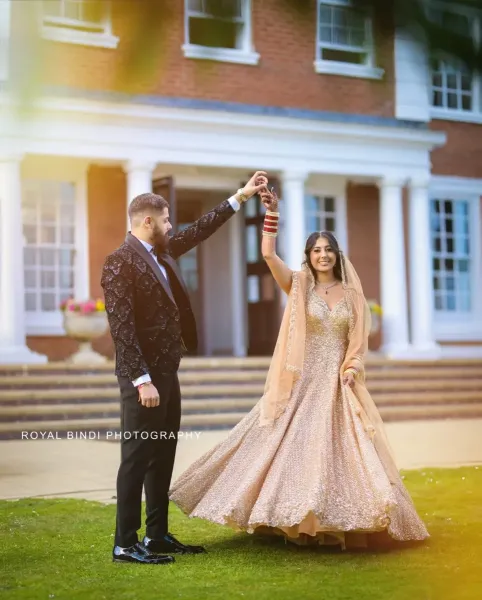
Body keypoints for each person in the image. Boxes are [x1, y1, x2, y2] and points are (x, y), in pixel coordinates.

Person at [169, 186, 429, 549]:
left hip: (337, 382)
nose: (323, 256)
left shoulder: (353, 296)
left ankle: (347, 517)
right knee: (285, 444)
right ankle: (285, 515)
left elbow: (358, 344)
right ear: (309, 256)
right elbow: (267, 253)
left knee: (340, 450)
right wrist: (271, 214)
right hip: (302, 379)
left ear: (337, 256)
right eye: (316, 250)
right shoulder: (298, 286)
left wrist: (351, 368)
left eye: (328, 250)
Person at [101, 171, 268, 564]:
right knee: (136, 457)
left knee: (162, 453)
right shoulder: (119, 263)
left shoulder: (161, 253)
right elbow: (121, 328)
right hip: (142, 378)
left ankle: (156, 535)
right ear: (148, 222)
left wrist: (240, 197)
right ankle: (125, 542)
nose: (171, 226)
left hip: (167, 373)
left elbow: (199, 230)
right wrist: (141, 380)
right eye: (166, 220)